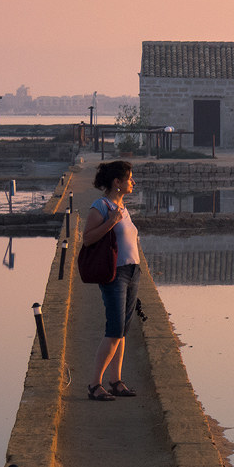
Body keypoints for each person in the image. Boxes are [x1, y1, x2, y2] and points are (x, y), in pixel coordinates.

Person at [83, 160, 143, 401]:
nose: (133, 182)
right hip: (114, 274)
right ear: (117, 183)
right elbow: (87, 239)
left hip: (132, 271)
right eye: (129, 178)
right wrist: (111, 221)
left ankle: (116, 380)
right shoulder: (101, 207)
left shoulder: (122, 207)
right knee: (114, 329)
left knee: (123, 330)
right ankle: (94, 384)